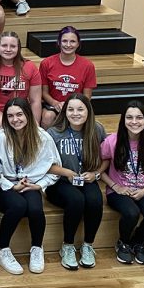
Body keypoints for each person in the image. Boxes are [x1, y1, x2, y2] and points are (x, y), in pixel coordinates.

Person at [0, 98, 61, 275]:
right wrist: (11, 186)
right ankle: (1, 249)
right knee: (18, 205)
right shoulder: (1, 137)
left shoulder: (43, 137)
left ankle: (36, 248)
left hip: (30, 184)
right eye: (10, 116)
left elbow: (55, 169)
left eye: (19, 114)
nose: (15, 119)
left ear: (28, 114)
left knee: (34, 208)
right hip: (1, 185)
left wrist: (39, 186)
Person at [99, 101, 144, 265]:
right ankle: (123, 242)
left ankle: (137, 241)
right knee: (131, 213)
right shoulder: (111, 141)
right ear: (123, 120)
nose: (134, 122)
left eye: (139, 118)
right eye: (129, 117)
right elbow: (99, 170)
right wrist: (116, 186)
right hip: (118, 191)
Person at [46, 93, 106, 270]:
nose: (75, 113)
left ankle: (88, 245)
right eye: (70, 109)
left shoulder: (97, 129)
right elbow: (45, 165)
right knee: (76, 200)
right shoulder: (54, 132)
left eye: (80, 109)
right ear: (64, 112)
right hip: (60, 182)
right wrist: (67, 173)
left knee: (95, 201)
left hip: (87, 179)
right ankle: (68, 245)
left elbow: (107, 157)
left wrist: (96, 173)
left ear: (88, 111)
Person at [39, 26, 98, 127]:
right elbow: (44, 92)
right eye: (64, 41)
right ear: (59, 42)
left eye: (73, 41)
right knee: (47, 116)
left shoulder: (87, 65)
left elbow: (87, 97)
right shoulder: (46, 63)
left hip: (76, 106)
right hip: (53, 105)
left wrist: (72, 107)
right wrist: (55, 103)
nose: (68, 45)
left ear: (78, 43)